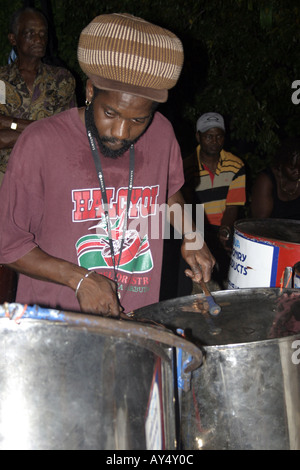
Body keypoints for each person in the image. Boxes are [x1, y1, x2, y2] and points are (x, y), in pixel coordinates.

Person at [0, 13, 215, 318]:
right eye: (111, 113)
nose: (122, 133)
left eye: (138, 120)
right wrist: (81, 279)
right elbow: (7, 244)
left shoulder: (162, 133)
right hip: (56, 325)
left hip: (135, 319)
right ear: (90, 92)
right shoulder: (41, 142)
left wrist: (192, 235)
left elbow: (168, 194)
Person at [0, 7, 76, 184]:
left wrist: (8, 123)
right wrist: (45, 132)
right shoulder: (1, 80)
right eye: (30, 33)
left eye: (43, 33)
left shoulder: (61, 80)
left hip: (49, 174)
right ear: (13, 38)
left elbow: (67, 132)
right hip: (5, 174)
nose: (38, 39)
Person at [183, 112, 246, 288]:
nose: (214, 141)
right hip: (195, 232)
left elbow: (233, 206)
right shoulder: (186, 166)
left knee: (224, 284)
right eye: (209, 136)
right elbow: (186, 208)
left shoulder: (236, 165)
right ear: (198, 136)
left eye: (219, 136)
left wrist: (224, 233)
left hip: (222, 232)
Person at [251, 137, 300, 220]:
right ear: (281, 162)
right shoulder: (266, 180)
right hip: (270, 230)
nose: (297, 172)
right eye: (292, 168)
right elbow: (260, 222)